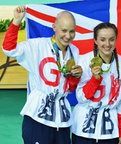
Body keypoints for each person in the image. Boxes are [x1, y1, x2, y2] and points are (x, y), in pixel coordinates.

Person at [2, 5, 83, 144]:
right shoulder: (37, 46)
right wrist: (16, 22)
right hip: (37, 118)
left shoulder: (74, 51)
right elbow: (9, 49)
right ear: (54, 27)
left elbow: (69, 89)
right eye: (64, 30)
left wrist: (75, 77)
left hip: (61, 120)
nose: (68, 36)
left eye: (72, 31)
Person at [71, 22, 121, 144]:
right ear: (95, 41)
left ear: (116, 40)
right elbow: (81, 97)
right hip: (83, 129)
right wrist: (95, 79)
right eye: (102, 40)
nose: (107, 44)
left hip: (109, 130)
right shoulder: (85, 61)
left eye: (111, 39)